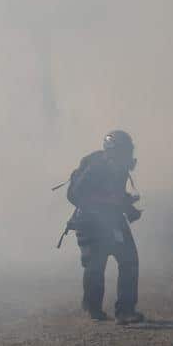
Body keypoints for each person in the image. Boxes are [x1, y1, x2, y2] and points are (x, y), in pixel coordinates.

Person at [66, 130, 144, 325]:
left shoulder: (120, 167)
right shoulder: (96, 167)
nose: (128, 155)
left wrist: (128, 205)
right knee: (95, 266)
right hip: (91, 224)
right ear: (112, 151)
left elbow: (115, 194)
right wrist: (110, 200)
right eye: (124, 151)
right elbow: (77, 194)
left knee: (129, 261)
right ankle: (93, 308)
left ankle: (125, 311)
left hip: (113, 221)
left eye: (129, 151)